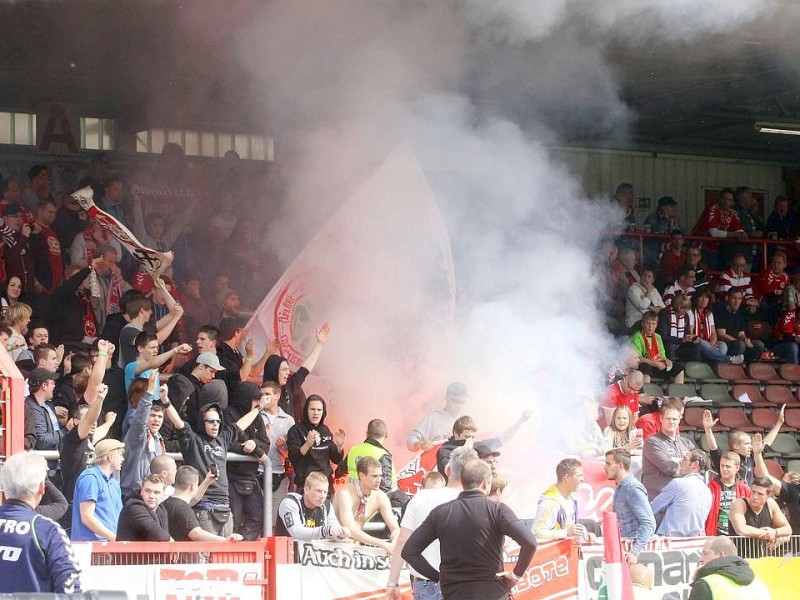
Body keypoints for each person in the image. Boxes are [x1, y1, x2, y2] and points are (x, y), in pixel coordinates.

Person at [401, 459, 538, 600]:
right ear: (486, 483)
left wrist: (439, 577)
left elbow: (409, 551)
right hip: (493, 593)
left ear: (463, 482)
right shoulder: (498, 510)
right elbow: (530, 542)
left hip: (455, 594)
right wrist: (515, 576)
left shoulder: (441, 513)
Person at [164, 391, 268, 537]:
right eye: (211, 421)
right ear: (202, 421)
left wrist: (259, 408)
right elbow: (179, 424)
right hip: (203, 508)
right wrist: (166, 401)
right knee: (207, 555)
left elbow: (240, 425)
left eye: (218, 421)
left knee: (224, 556)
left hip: (225, 508)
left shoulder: (222, 439)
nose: (215, 425)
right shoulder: (193, 440)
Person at [385, 446, 478, 599]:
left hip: (426, 584)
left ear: (448, 470)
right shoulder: (476, 503)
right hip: (463, 584)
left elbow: (403, 541)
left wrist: (392, 582)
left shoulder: (421, 497)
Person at [0, 452, 81, 594]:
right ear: (42, 488)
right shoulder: (48, 530)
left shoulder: (46, 530)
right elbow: (69, 584)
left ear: (4, 486)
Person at [224, 382, 271, 540]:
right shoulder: (229, 414)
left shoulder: (257, 417)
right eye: (255, 400)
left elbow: (266, 443)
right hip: (231, 475)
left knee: (259, 516)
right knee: (234, 521)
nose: (258, 404)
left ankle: (244, 545)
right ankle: (232, 552)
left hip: (250, 476)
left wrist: (255, 444)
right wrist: (247, 447)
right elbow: (228, 441)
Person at [262, 322, 330, 422]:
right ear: (274, 371)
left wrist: (319, 345)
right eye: (284, 369)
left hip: (291, 436)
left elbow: (305, 370)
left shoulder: (289, 385)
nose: (288, 373)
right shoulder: (263, 395)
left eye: (288, 369)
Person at [333, 456, 400, 555]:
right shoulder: (345, 494)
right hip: (333, 546)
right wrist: (381, 543)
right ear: (362, 476)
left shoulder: (380, 497)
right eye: (374, 476)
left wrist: (393, 544)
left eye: (380, 475)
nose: (379, 480)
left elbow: (395, 528)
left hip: (356, 548)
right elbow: (350, 529)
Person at [163, 466, 244, 542]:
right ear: (192, 486)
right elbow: (196, 534)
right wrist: (225, 540)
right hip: (185, 556)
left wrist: (207, 482)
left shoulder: (165, 503)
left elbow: (193, 499)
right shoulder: (183, 508)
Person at [120, 369, 167, 498]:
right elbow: (139, 421)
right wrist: (150, 391)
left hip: (152, 496)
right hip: (132, 495)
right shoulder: (137, 435)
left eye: (159, 417)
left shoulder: (159, 439)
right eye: (152, 416)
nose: (156, 420)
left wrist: (165, 400)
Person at [604, 449, 655, 566]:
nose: (604, 467)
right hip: (625, 552)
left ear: (620, 466)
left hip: (632, 555)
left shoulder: (632, 488)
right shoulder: (622, 487)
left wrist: (635, 552)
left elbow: (649, 523)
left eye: (608, 464)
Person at [70, 438, 126, 541]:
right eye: (120, 455)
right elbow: (87, 517)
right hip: (91, 548)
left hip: (110, 546)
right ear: (110, 457)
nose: (123, 459)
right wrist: (114, 538)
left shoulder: (114, 483)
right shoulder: (90, 477)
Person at [287, 394, 346, 489]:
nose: (316, 413)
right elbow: (293, 457)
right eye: (312, 409)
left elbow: (336, 459)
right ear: (306, 411)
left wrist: (339, 447)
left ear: (323, 412)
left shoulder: (325, 430)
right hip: (306, 485)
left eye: (319, 410)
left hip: (326, 484)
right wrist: (307, 444)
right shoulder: (296, 430)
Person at [650, 449, 713, 537]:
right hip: (696, 543)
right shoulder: (707, 491)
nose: (680, 462)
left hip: (672, 542)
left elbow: (652, 509)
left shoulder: (678, 484)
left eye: (684, 459)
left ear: (695, 464)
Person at [346, 418, 406, 508]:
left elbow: (340, 471)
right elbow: (385, 487)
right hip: (374, 504)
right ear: (386, 434)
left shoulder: (354, 450)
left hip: (353, 500)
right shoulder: (383, 455)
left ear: (367, 434)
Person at [641, 402, 696, 500]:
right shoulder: (652, 442)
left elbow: (699, 466)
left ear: (679, 420)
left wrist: (675, 460)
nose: (671, 422)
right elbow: (670, 468)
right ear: (661, 419)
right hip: (658, 500)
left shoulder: (687, 443)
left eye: (674, 419)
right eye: (668, 418)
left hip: (681, 498)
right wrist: (688, 466)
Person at [275, 471, 351, 541]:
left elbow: (333, 530)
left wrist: (341, 534)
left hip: (313, 553)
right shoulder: (289, 503)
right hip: (286, 552)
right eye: (319, 491)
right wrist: (325, 531)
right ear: (306, 490)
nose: (322, 496)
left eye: (325, 492)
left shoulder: (327, 505)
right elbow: (296, 532)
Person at [689, 536, 772, 600]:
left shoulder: (706, 584)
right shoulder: (760, 585)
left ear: (721, 555)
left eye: (705, 554)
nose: (701, 559)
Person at [533, 458, 596, 542]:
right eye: (579, 476)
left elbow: (570, 528)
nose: (582, 479)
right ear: (567, 477)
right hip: (554, 554)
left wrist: (585, 534)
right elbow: (536, 533)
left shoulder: (570, 498)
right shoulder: (550, 502)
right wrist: (565, 532)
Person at [729, 476, 792, 558]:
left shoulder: (771, 504)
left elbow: (788, 529)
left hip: (762, 559)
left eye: (760, 494)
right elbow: (741, 530)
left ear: (768, 496)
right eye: (753, 492)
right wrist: (767, 534)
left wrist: (775, 532)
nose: (755, 497)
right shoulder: (739, 504)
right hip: (739, 558)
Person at [258, 380, 295, 514]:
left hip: (278, 473)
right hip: (257, 471)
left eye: (267, 394)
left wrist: (283, 445)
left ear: (277, 396)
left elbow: (291, 452)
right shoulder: (256, 415)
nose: (264, 398)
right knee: (256, 518)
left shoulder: (288, 420)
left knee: (275, 517)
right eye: (261, 394)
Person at [406, 381, 469, 452]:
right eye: (455, 401)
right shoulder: (433, 418)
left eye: (462, 402)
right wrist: (421, 444)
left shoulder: (467, 422)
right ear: (447, 398)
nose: (459, 405)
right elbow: (411, 439)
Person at [705, 451, 752, 536]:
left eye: (728, 466)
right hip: (715, 535)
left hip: (737, 535)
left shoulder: (745, 489)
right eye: (722, 466)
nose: (724, 469)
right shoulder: (709, 488)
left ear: (737, 468)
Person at [630, 311, 685, 383]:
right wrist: (654, 363)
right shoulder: (637, 337)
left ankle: (677, 393)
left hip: (657, 366)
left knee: (679, 369)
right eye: (648, 323)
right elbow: (637, 359)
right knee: (646, 367)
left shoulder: (658, 337)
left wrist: (667, 361)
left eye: (653, 324)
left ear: (656, 325)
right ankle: (646, 393)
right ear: (642, 324)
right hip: (644, 366)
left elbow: (662, 356)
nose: (650, 326)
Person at [714, 289, 765, 363]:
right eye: (734, 298)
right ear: (727, 298)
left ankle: (749, 369)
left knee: (759, 344)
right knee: (740, 345)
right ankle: (732, 366)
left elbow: (741, 334)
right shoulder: (721, 310)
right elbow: (722, 334)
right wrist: (739, 341)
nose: (737, 301)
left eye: (739, 299)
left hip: (738, 342)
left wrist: (746, 340)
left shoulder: (739, 312)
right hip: (725, 342)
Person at [116, 474, 171, 541]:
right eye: (147, 491)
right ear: (141, 491)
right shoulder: (134, 507)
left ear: (163, 495)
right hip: (129, 550)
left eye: (156, 492)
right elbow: (160, 536)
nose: (151, 496)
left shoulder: (162, 510)